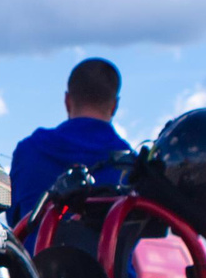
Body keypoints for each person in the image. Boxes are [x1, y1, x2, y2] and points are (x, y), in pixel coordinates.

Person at [9, 57, 129, 227]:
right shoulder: (131, 167)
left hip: (35, 254)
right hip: (107, 254)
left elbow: (15, 219)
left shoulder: (28, 151)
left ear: (67, 101)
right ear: (114, 106)